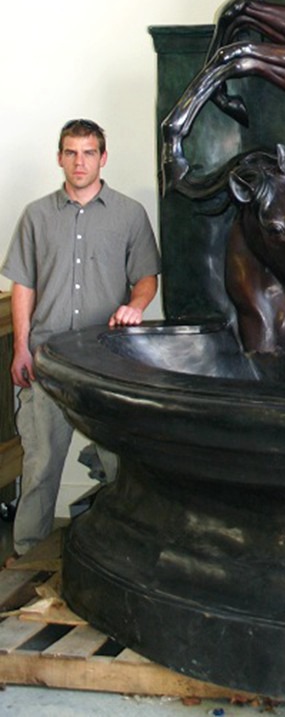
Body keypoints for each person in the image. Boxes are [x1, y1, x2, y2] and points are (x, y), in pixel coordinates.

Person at [1, 118, 160, 561]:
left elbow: (146, 278)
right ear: (59, 158)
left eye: (89, 152)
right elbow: (23, 286)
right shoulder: (35, 215)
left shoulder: (129, 214)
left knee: (117, 466)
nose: (79, 161)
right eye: (71, 152)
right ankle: (26, 556)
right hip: (47, 361)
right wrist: (20, 347)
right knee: (40, 467)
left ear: (103, 158)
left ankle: (117, 557)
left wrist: (137, 305)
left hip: (105, 364)